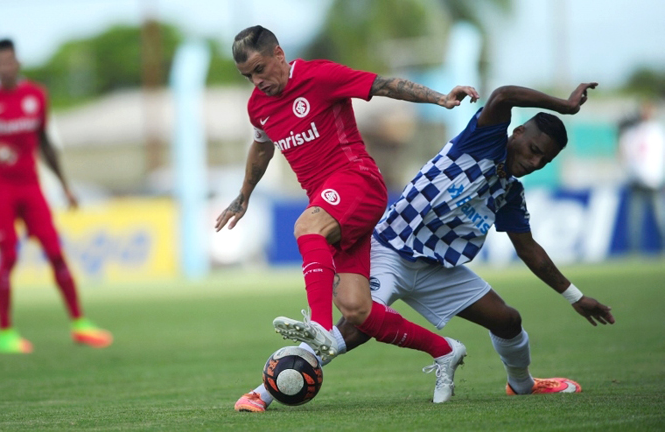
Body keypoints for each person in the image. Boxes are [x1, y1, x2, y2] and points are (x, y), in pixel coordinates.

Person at [234, 82, 616, 412]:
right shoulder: (483, 141)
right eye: (532, 148)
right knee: (356, 326)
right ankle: (263, 392)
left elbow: (529, 249)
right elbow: (504, 94)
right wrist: (565, 106)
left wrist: (574, 296)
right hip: (390, 250)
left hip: (438, 269)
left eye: (543, 159)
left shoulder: (510, 194)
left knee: (508, 320)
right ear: (515, 133)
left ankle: (522, 384)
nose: (533, 161)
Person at [216, 25, 478, 402]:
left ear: (278, 54)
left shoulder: (320, 76)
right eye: (248, 76)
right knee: (357, 310)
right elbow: (262, 149)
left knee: (307, 225)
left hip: (357, 180)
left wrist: (440, 98)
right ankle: (444, 350)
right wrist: (243, 196)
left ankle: (320, 327)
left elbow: (384, 85)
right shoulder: (257, 107)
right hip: (331, 204)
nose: (257, 81)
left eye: (260, 69)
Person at [0, 39, 112, 353]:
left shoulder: (35, 95)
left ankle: (80, 324)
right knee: (8, 255)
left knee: (55, 251)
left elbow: (45, 142)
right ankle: (4, 332)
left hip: (30, 184)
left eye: (10, 61)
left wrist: (65, 185)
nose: (5, 67)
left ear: (17, 62)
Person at [617, 101, 665, 253]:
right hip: (636, 180)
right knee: (635, 220)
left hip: (654, 180)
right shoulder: (633, 131)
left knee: (659, 217)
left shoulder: (657, 131)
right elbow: (624, 152)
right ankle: (634, 251)